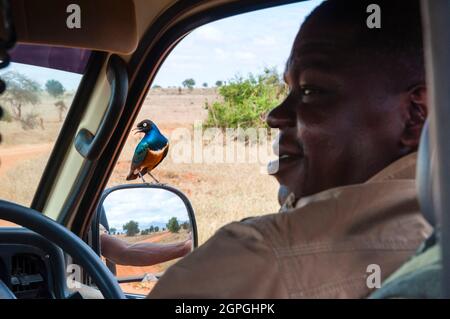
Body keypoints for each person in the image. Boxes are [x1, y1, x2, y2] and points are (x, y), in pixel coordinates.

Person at [148, 0, 432, 299]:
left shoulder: (257, 262)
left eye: (311, 91)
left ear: (415, 115)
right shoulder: (433, 236)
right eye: (290, 90)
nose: (274, 116)